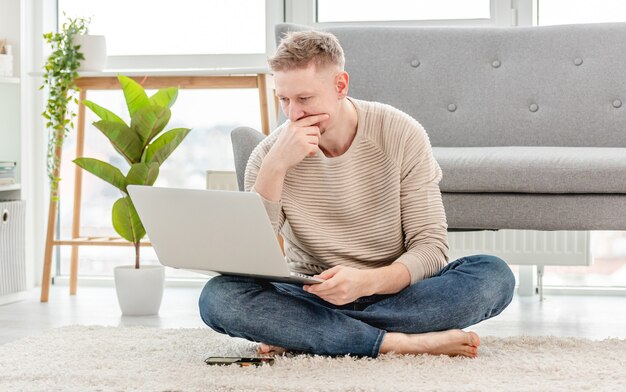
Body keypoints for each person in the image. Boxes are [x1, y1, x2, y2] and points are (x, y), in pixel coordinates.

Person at [198, 30, 515, 359]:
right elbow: (247, 262)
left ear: (340, 85)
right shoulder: (269, 156)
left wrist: (368, 282)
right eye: (284, 100)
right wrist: (276, 167)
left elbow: (431, 248)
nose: (292, 114)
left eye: (304, 99)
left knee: (494, 275)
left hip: (396, 291)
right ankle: (396, 342)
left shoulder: (401, 133)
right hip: (311, 294)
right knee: (218, 298)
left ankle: (308, 334)